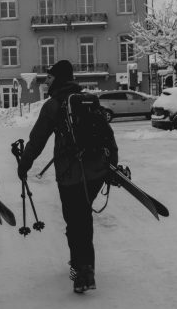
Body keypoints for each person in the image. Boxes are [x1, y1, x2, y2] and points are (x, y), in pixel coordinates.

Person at [16, 59, 118, 294]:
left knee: (76, 221)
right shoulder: (89, 100)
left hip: (71, 174)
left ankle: (83, 270)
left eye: (50, 77)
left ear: (59, 79)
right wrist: (112, 163)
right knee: (83, 217)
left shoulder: (53, 105)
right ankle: (83, 266)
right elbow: (107, 134)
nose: (48, 80)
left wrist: (24, 165)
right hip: (95, 171)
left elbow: (37, 139)